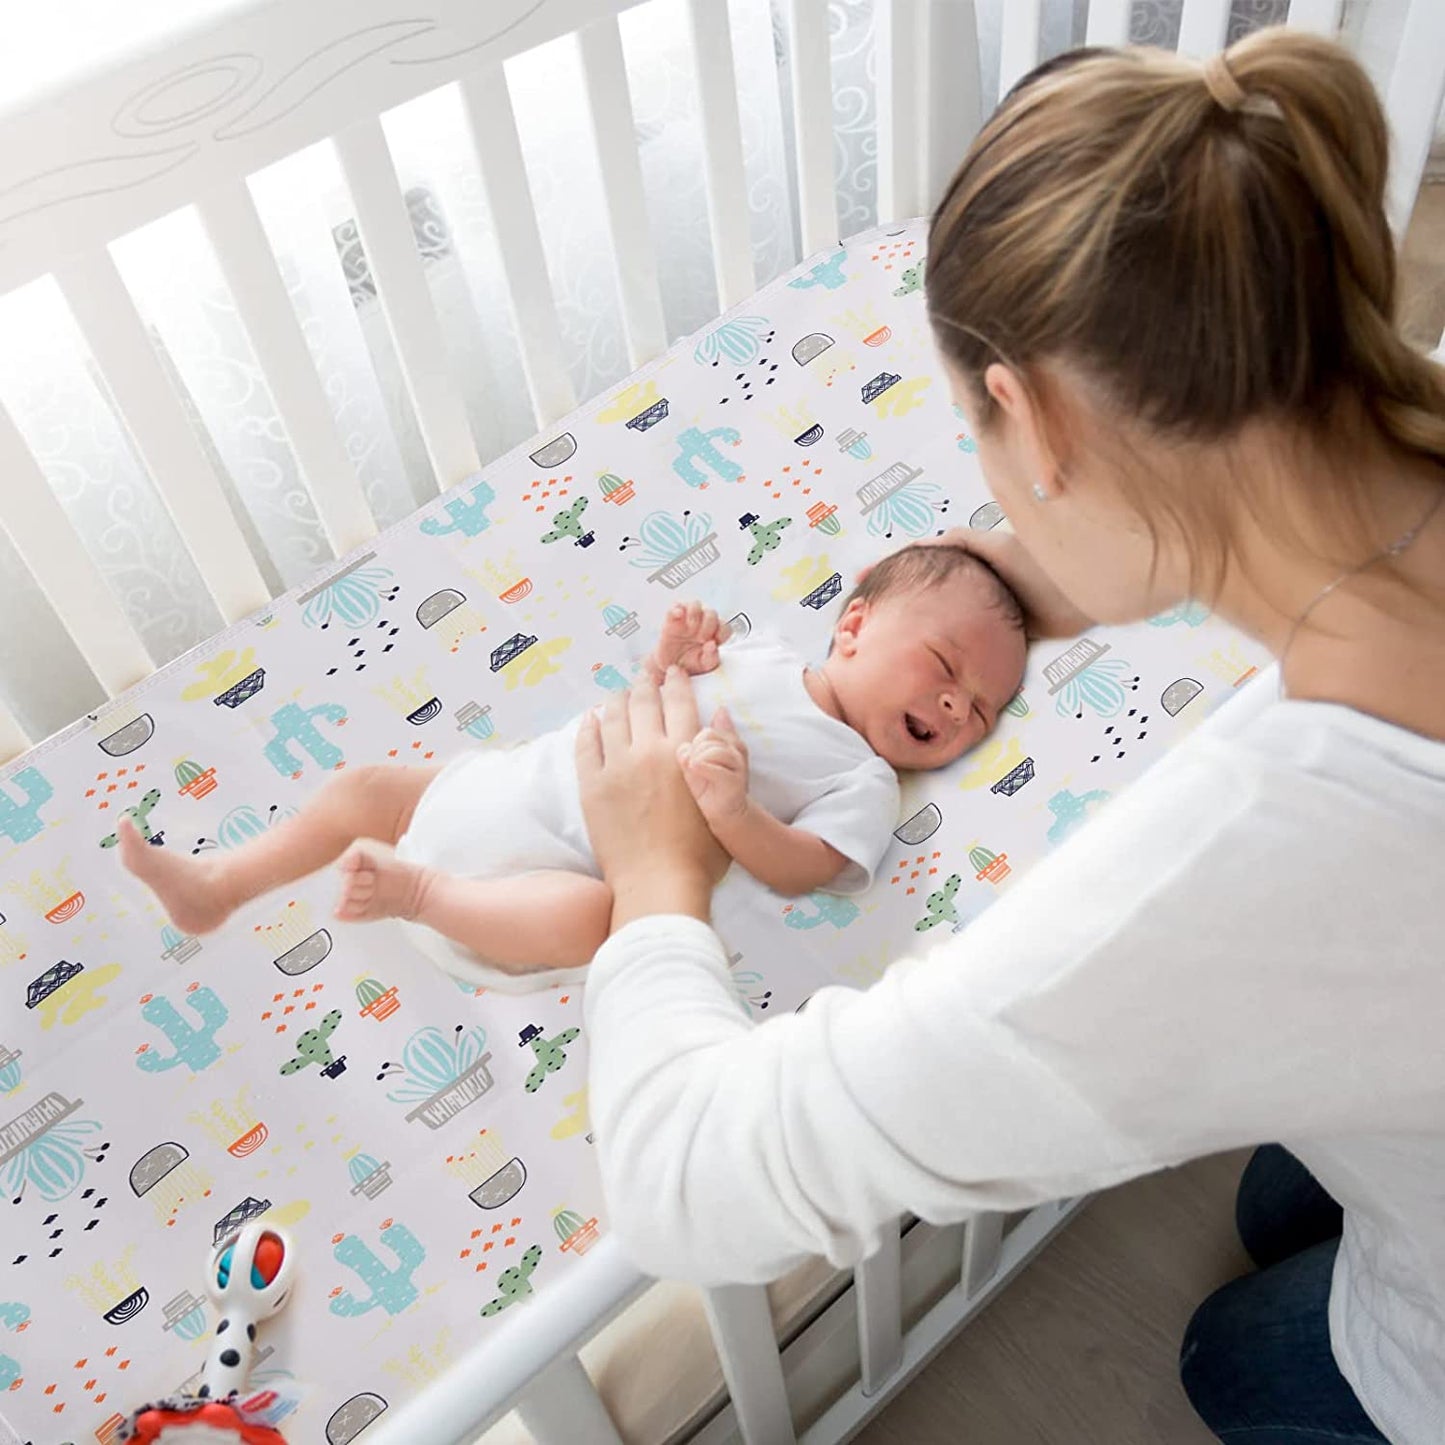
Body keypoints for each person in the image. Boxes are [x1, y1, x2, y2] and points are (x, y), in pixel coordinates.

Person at [571, 28, 1445, 1445]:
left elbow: (686, 1178)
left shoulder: (1234, 872)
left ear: (1027, 419)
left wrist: (654, 873)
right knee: (1281, 1193)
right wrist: (1009, 586)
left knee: (1232, 1352)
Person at [118, 545, 1025, 993]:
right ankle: (219, 881)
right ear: (855, 626)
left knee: (601, 921)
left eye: (978, 710)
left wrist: (736, 813)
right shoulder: (767, 655)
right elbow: (654, 697)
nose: (955, 709)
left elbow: (814, 869)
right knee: (367, 789)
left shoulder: (863, 778)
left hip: (540, 885)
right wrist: (670, 654)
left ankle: (419, 894)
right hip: (512, 786)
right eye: (945, 669)